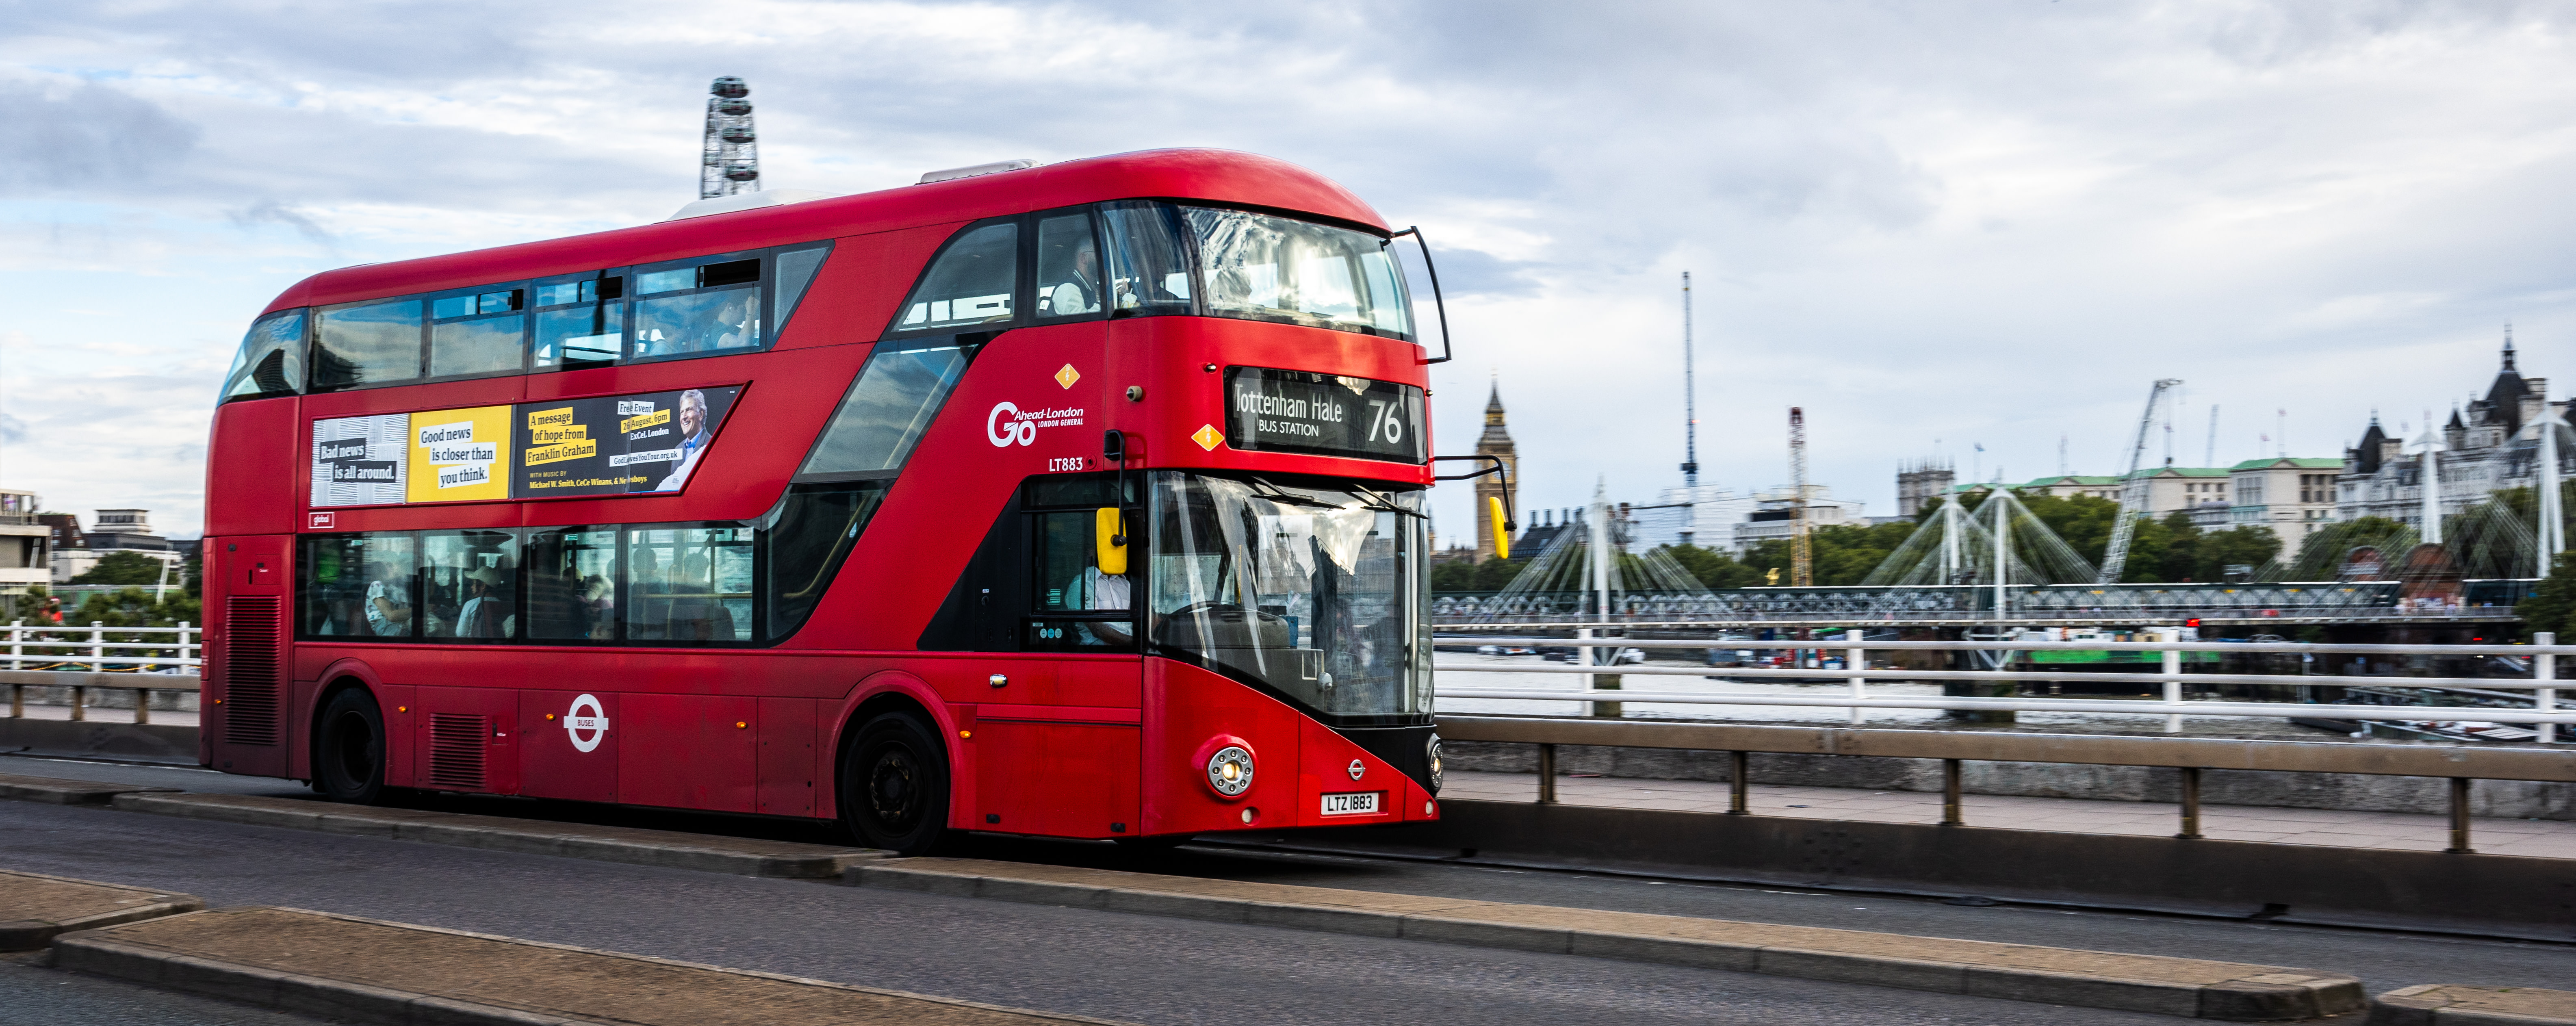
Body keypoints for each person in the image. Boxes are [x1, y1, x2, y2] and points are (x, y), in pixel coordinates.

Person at [653, 389, 714, 491]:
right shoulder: (678, 449)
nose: (684, 417)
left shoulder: (711, 445)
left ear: (701, 414)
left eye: (689, 410)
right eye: (682, 412)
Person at [1045, 239, 1100, 317]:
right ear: (1084, 258)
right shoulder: (1067, 288)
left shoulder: (1095, 287)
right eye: (1098, 253)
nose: (1103, 258)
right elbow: (1081, 322)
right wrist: (1107, 302)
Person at [454, 566, 507, 639]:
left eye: (474, 584)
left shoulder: (471, 604)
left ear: (483, 586)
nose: (472, 587)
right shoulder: (502, 604)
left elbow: (461, 634)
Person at [364, 562, 413, 637]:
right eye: (389, 567)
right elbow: (391, 616)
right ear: (381, 572)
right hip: (386, 627)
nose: (394, 570)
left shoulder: (394, 588)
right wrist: (423, 609)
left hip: (401, 626)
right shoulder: (377, 585)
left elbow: (404, 611)